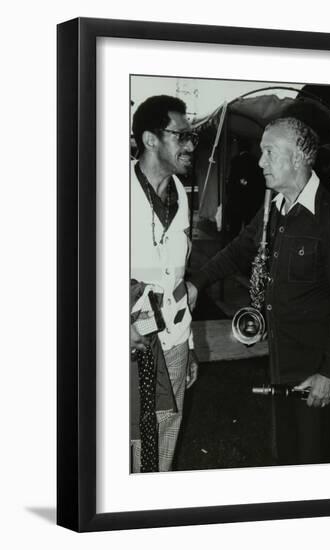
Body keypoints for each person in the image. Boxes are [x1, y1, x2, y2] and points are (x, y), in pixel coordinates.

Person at [187, 117, 330, 465]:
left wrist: (329, 372)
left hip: (315, 369)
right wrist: (195, 283)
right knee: (285, 455)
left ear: (297, 157)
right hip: (280, 363)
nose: (260, 161)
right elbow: (238, 251)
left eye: (269, 152)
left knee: (314, 462)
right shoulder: (273, 208)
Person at [130, 95, 199, 472]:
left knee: (165, 432)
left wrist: (189, 346)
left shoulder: (181, 195)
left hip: (173, 339)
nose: (190, 145)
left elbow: (179, 278)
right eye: (181, 135)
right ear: (150, 139)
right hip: (131, 339)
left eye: (192, 137)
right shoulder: (108, 189)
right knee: (128, 435)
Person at [226, 138, 266, 237]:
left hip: (237, 200)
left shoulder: (235, 161)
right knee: (250, 228)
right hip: (251, 201)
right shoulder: (256, 161)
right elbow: (260, 183)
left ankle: (233, 248)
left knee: (234, 229)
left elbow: (232, 181)